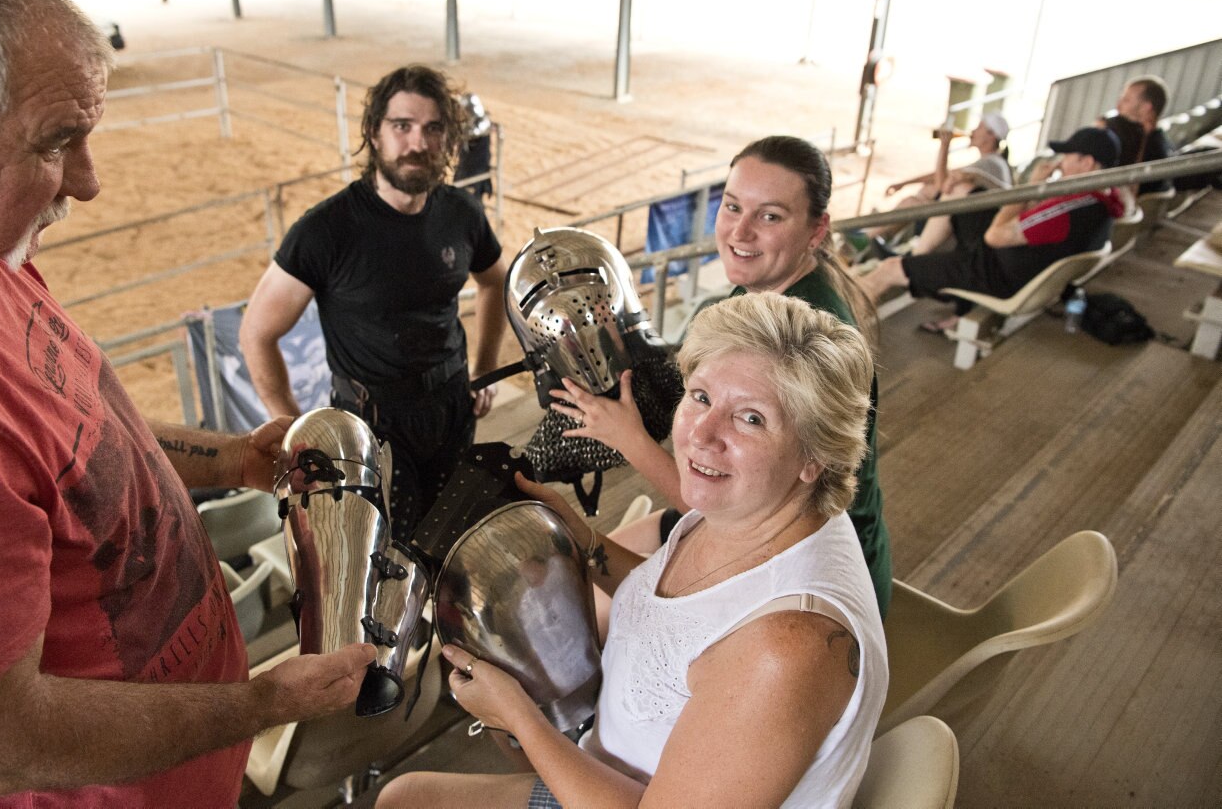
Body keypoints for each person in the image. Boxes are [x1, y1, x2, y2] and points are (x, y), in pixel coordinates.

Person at [0, 0, 375, 807]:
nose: (88, 182)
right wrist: (261, 702)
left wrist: (237, 460)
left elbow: (78, 441)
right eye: (56, 143)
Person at [376, 292, 888, 809]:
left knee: (405, 799)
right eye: (702, 396)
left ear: (814, 457)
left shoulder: (789, 647)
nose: (701, 436)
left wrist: (519, 720)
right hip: (614, 762)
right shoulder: (758, 512)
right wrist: (582, 539)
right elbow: (694, 618)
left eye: (751, 418)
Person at [550, 136, 892, 617]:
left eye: (770, 216)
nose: (740, 232)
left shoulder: (802, 344)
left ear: (817, 230)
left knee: (580, 620)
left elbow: (718, 496)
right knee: (566, 582)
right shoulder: (763, 288)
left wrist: (628, 438)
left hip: (791, 568)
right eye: (732, 207)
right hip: (745, 517)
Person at [240, 66, 507, 538]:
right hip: (371, 424)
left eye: (433, 128)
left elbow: (494, 282)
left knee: (447, 536)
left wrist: (484, 369)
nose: (417, 143)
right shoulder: (326, 231)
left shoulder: (461, 213)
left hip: (451, 407)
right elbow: (257, 332)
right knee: (389, 554)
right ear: (374, 134)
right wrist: (293, 429)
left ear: (449, 140)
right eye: (402, 126)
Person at [860, 126, 1125, 311]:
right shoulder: (1104, 198)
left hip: (995, 271)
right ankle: (918, 257)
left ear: (1087, 163)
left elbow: (995, 236)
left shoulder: (1070, 207)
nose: (1061, 161)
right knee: (963, 191)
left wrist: (1031, 187)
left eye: (1067, 155)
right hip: (1016, 262)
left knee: (888, 269)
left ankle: (841, 346)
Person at [1106, 75, 1173, 194]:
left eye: (1126, 100)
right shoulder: (1160, 142)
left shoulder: (1144, 148)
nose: (1118, 106)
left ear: (1146, 108)